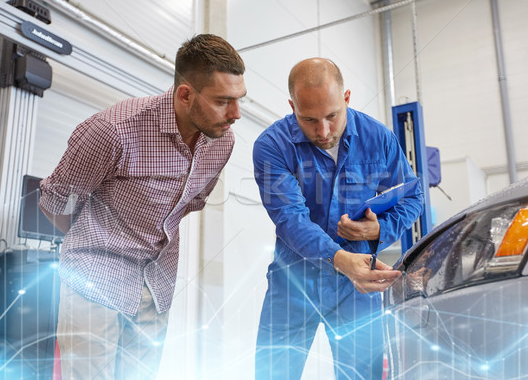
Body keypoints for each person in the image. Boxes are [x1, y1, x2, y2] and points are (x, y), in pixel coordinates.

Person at [39, 34, 246, 379]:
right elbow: (56, 203)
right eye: (223, 101)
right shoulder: (113, 130)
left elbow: (190, 203)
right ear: (185, 94)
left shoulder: (221, 142)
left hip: (156, 283)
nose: (236, 114)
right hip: (95, 279)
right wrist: (95, 239)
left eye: (239, 99)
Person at [252, 58, 423, 379]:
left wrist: (379, 230)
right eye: (309, 119)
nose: (323, 131)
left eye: (332, 116)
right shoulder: (272, 146)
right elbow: (289, 218)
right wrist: (339, 258)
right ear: (292, 107)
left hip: (355, 290)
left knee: (363, 374)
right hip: (293, 284)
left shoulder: (379, 139)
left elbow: (413, 197)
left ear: (346, 98)